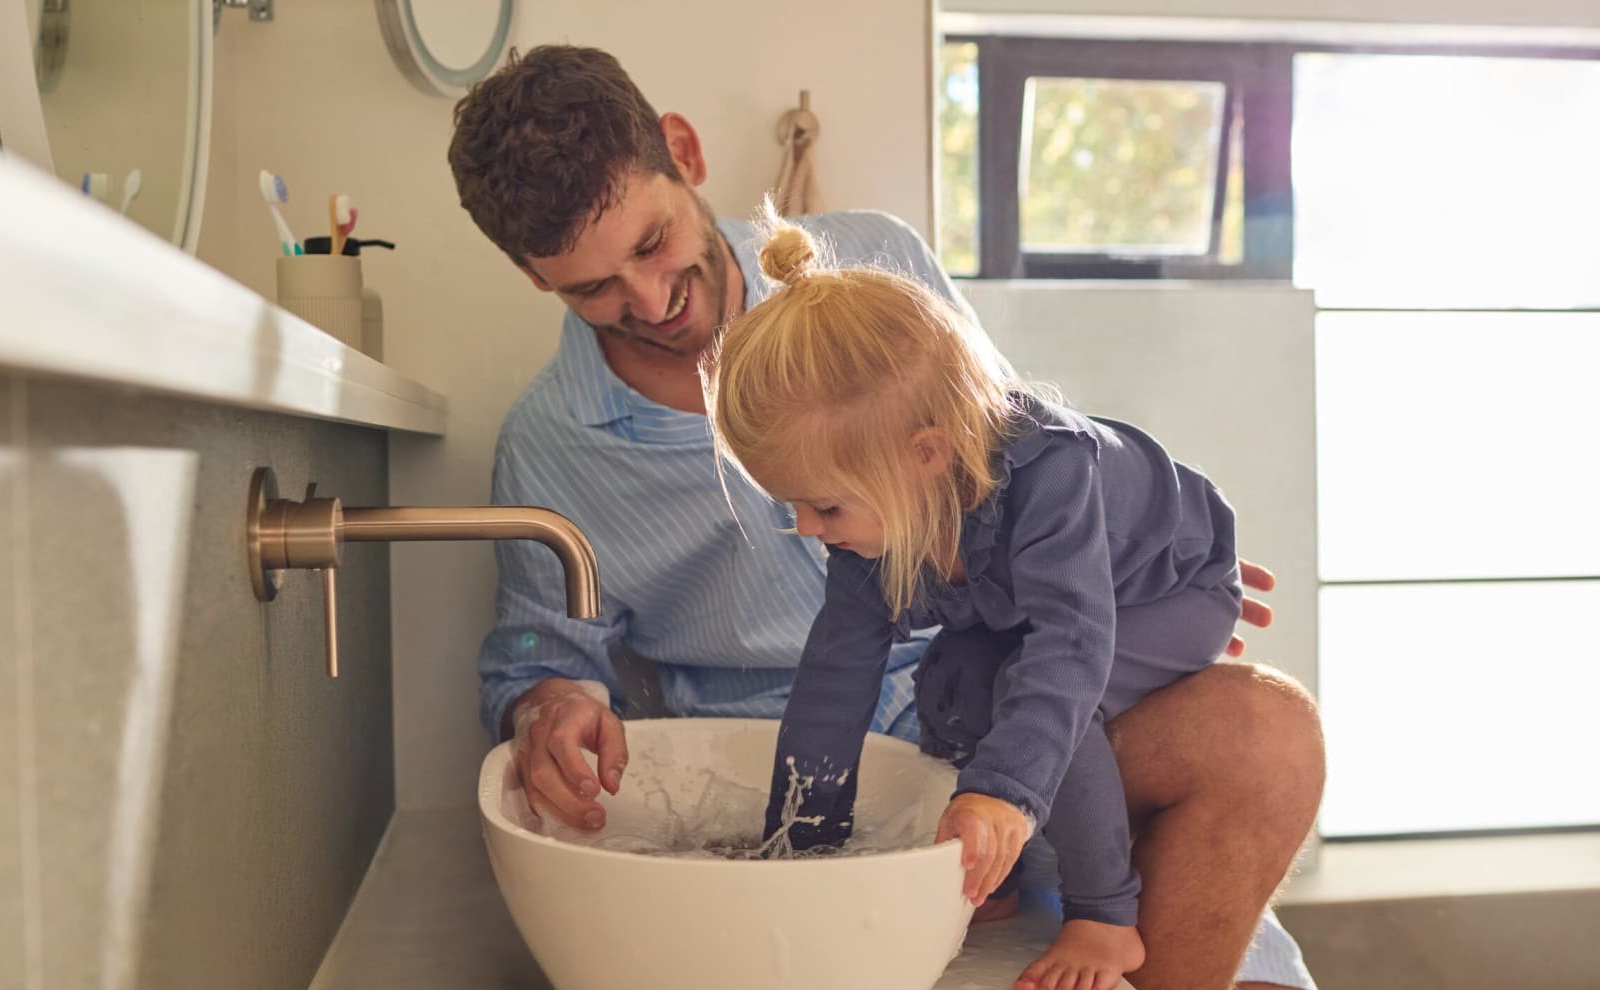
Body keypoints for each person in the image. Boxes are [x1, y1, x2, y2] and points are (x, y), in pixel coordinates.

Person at [450, 44, 1324, 990]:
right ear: (537, 278)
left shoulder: (880, 260)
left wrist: (1135, 562)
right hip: (819, 757)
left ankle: (1098, 914)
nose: (651, 301)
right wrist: (550, 703)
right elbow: (540, 655)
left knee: (1266, 732)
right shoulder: (547, 442)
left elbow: (1000, 462)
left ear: (683, 152)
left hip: (1021, 718)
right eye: (594, 289)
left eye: (652, 243)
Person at [705, 208, 1258, 990]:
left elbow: (1070, 648)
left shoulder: (1053, 476)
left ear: (926, 455)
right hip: (1044, 600)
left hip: (1171, 591)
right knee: (950, 682)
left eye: (823, 506)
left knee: (1034, 693)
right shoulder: (875, 523)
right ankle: (990, 880)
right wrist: (798, 847)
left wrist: (1001, 794)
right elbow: (834, 678)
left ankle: (1106, 917)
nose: (806, 528)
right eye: (793, 505)